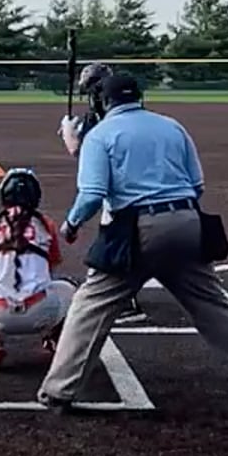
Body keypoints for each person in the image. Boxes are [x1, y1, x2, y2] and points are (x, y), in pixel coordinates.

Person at [40, 73, 228, 413]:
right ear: (139, 97)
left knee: (91, 306)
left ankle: (60, 391)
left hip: (137, 229)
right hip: (188, 223)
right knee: (212, 306)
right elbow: (196, 185)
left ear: (103, 102)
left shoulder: (100, 135)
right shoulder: (172, 127)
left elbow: (93, 194)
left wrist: (71, 224)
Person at [0, 168, 76, 372]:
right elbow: (51, 267)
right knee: (70, 288)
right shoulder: (45, 225)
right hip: (41, 313)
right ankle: (56, 338)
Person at [58, 62, 146, 325]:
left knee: (116, 243)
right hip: (136, 185)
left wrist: (71, 138)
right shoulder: (126, 112)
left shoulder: (103, 116)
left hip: (121, 191)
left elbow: (85, 154)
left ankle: (126, 302)